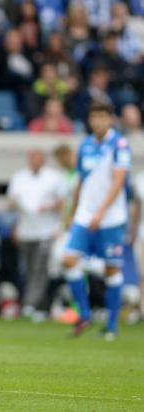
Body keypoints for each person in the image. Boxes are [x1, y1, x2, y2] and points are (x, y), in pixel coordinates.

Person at [63, 101, 132, 341]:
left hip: (111, 218)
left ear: (110, 119)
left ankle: (111, 325)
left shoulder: (120, 145)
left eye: (103, 117)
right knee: (69, 259)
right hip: (85, 214)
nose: (99, 122)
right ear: (90, 120)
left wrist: (101, 212)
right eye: (95, 117)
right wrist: (73, 212)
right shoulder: (85, 145)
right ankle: (85, 313)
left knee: (111, 268)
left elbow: (118, 181)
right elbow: (80, 180)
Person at [7, 149, 66, 320]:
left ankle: (30, 304)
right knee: (30, 269)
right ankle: (40, 305)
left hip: (46, 231)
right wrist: (17, 226)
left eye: (38, 158)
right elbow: (11, 203)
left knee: (40, 269)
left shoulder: (54, 178)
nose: (35, 161)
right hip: (26, 232)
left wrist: (53, 215)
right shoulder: (19, 178)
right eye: (32, 158)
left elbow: (63, 203)